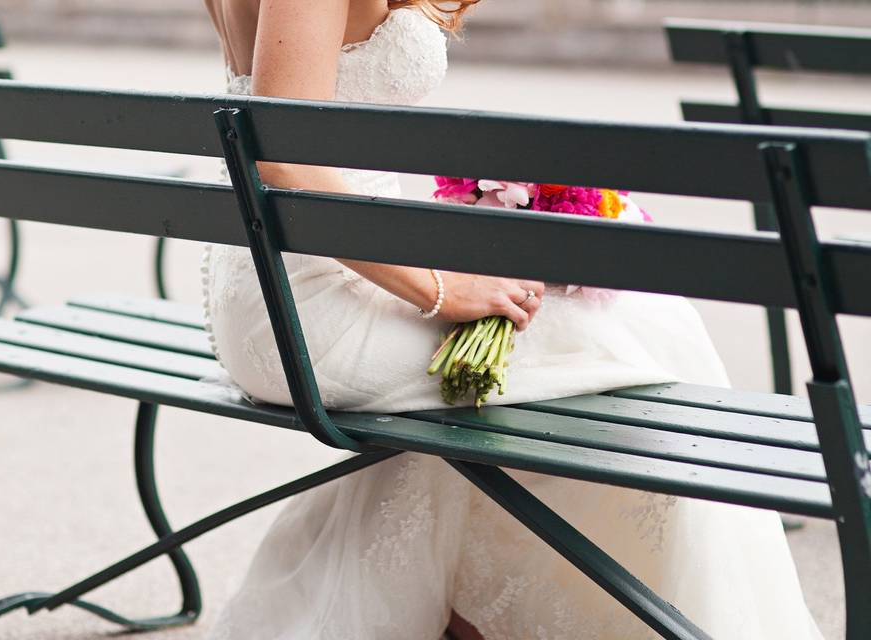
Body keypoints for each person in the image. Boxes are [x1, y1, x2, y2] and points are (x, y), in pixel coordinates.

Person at [201, 1, 825, 638]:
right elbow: (282, 159)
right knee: (648, 329)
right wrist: (439, 288)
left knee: (519, 371)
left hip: (302, 281)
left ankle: (472, 609)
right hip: (310, 307)